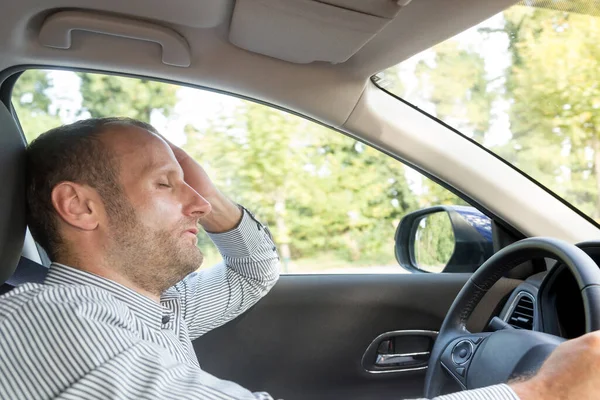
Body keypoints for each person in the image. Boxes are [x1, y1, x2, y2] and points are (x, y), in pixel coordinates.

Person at [0, 117, 598, 400]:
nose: (197, 204)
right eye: (165, 186)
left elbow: (255, 271)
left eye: (193, 188)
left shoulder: (149, 306)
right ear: (79, 205)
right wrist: (545, 389)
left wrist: (208, 196)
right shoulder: (57, 322)